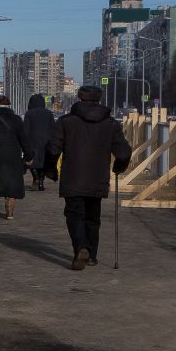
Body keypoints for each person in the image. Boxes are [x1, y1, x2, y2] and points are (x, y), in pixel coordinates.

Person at [47, 84, 133, 269]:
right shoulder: (110, 124)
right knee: (93, 217)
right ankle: (92, 255)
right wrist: (118, 167)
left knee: (74, 215)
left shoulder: (65, 122)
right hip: (97, 179)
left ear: (79, 98)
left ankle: (80, 248)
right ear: (99, 100)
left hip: (73, 178)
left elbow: (53, 149)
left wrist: (50, 170)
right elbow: (124, 152)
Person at [22, 93, 56, 191]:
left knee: (31, 162)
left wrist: (24, 141)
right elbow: (53, 128)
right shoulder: (49, 113)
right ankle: (41, 182)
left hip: (32, 141)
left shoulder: (29, 113)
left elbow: (25, 129)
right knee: (43, 163)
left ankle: (36, 178)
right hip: (46, 142)